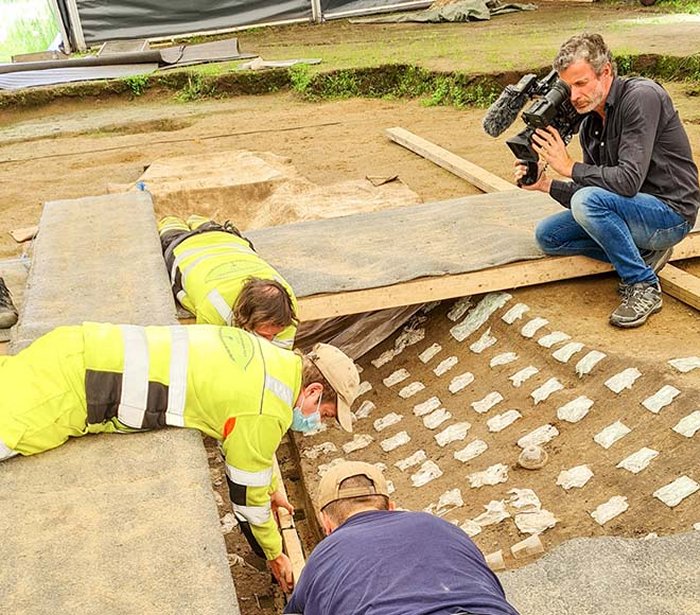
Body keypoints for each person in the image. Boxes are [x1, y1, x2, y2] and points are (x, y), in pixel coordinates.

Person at [0, 323, 359, 592]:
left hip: (77, 346)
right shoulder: (267, 409)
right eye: (325, 414)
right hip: (75, 387)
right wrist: (274, 553)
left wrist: (269, 485)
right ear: (313, 391)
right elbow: (246, 498)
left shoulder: (269, 357)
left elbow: (247, 445)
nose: (317, 423)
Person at [516, 33, 699, 328]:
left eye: (581, 83)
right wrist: (545, 184)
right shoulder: (590, 122)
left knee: (587, 201)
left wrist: (568, 166)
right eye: (568, 87)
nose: (574, 96)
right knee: (549, 236)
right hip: (630, 211)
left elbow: (626, 182)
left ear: (606, 73)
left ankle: (643, 285)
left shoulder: (641, 97)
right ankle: (643, 254)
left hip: (670, 214)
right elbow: (594, 190)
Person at [284, 461, 520, 615]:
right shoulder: (442, 527)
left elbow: (295, 611)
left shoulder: (324, 555)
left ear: (326, 523)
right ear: (392, 507)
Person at [158, 214, 298, 347]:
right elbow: (215, 354)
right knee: (170, 226)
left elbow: (280, 351)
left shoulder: (287, 305)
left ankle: (198, 220)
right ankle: (174, 221)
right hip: (183, 245)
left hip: (226, 238)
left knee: (209, 227)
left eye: (274, 334)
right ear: (245, 318)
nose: (271, 339)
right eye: (264, 334)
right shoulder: (216, 308)